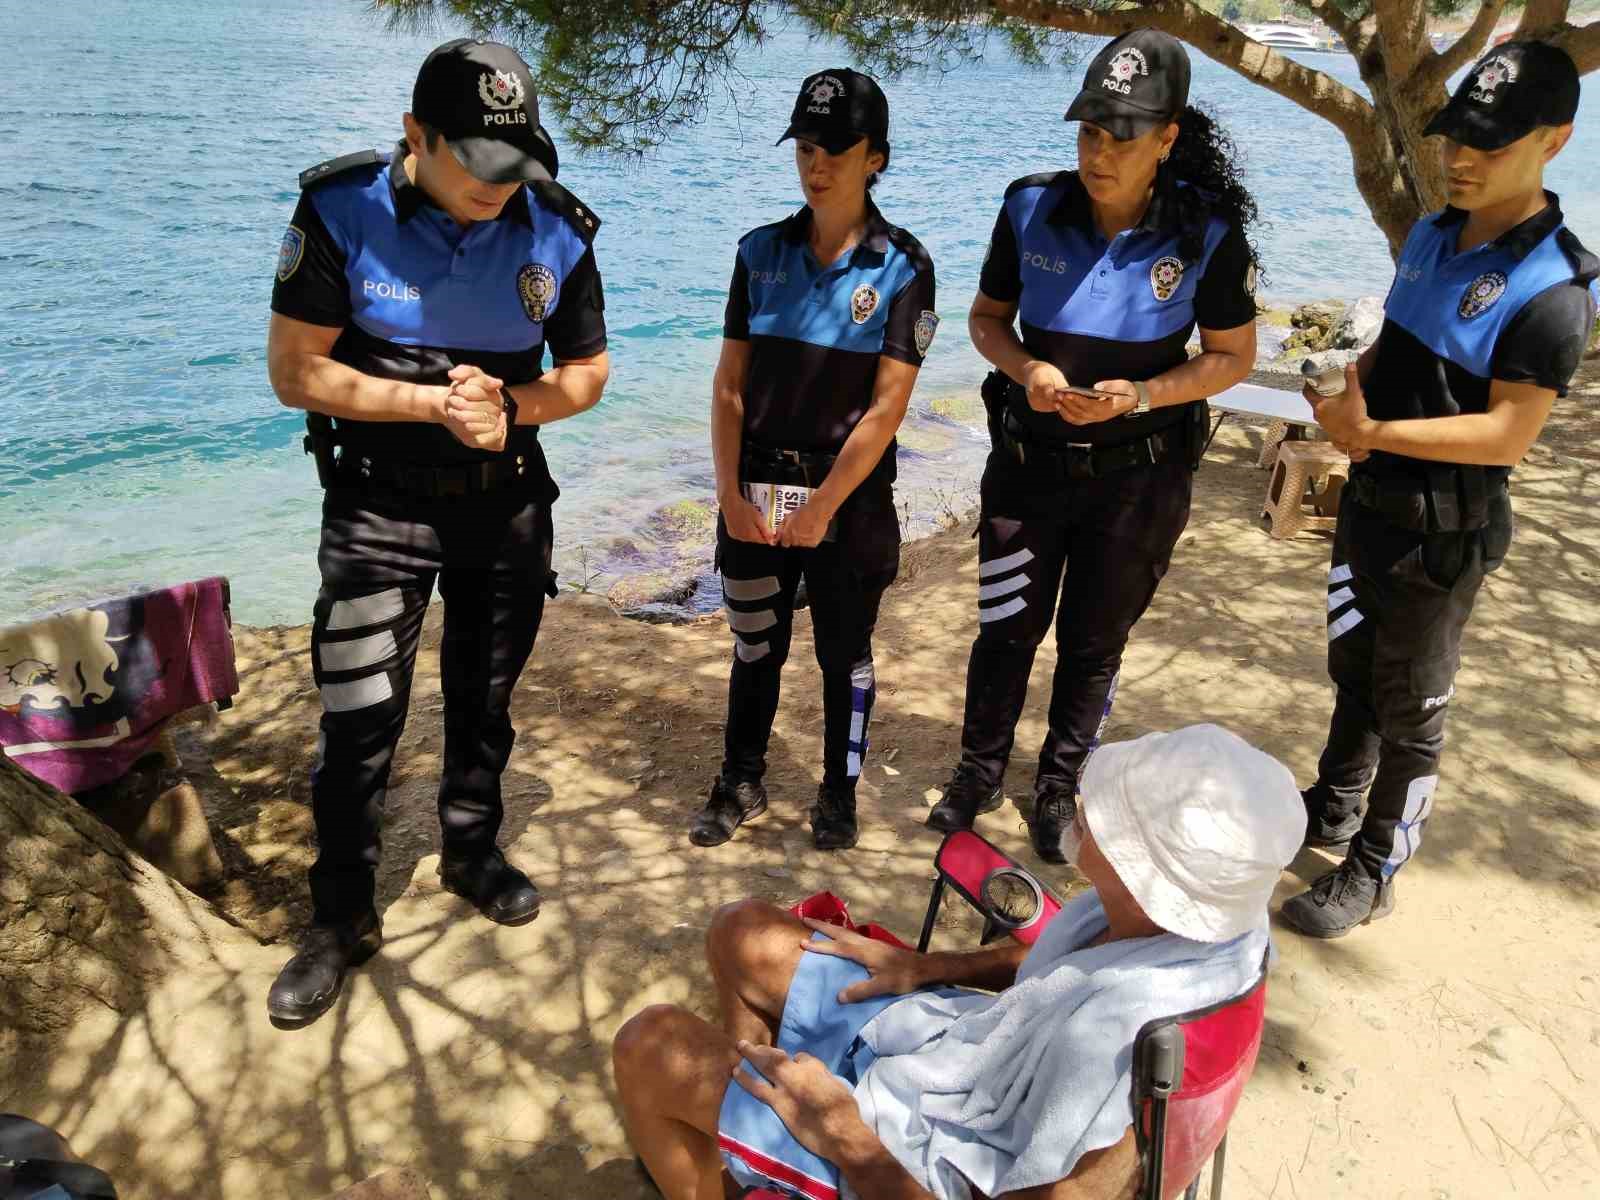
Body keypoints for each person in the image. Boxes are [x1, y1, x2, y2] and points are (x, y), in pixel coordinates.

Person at [264, 38, 610, 1025]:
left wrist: (512, 406)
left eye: (516, 164)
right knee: (359, 713)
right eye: (478, 165)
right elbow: (296, 370)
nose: (501, 187)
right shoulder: (340, 211)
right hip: (376, 505)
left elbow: (586, 372)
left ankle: (470, 849)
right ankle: (339, 916)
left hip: (504, 503)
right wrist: (428, 405)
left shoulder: (558, 228)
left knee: (483, 692)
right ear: (416, 137)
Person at [613, 724, 1305, 1200]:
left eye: (1108, 818)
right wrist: (926, 966)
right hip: (964, 1056)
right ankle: (746, 1156)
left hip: (919, 1165)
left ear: (1143, 873)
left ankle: (742, 1164)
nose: (1087, 809)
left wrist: (847, 1139)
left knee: (648, 1046)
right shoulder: (1202, 923)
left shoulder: (1118, 1059)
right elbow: (1063, 962)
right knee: (742, 934)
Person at [1283, 43, 1596, 938]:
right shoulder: (1428, 233)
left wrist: (1372, 432)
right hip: (1371, 503)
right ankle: (1334, 805)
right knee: (1354, 670)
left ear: (1556, 141)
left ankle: (1376, 867)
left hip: (1445, 529)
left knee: (1412, 705)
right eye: (1456, 135)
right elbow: (1396, 351)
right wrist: (1348, 390)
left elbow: (1509, 433)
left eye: (1489, 145)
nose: (1459, 158)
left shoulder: (1558, 289)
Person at [925, 30, 1260, 864]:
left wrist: (1144, 393)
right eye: (1089, 132)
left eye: (1124, 137)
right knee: (1006, 628)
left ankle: (1059, 786)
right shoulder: (1029, 207)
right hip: (1028, 469)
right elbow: (985, 321)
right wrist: (1029, 366)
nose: (1100, 153)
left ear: (1169, 137)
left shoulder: (1206, 236)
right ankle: (978, 772)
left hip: (1140, 483)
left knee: (1092, 643)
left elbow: (1232, 357)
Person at [689, 69, 938, 852]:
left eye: (835, 147)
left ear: (877, 158)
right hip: (756, 490)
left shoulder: (904, 267)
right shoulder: (758, 253)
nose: (815, 162)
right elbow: (730, 385)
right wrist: (728, 493)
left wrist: (827, 502)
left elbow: (887, 406)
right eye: (804, 145)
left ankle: (839, 791)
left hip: (849, 500)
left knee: (845, 654)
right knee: (754, 640)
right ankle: (740, 777)